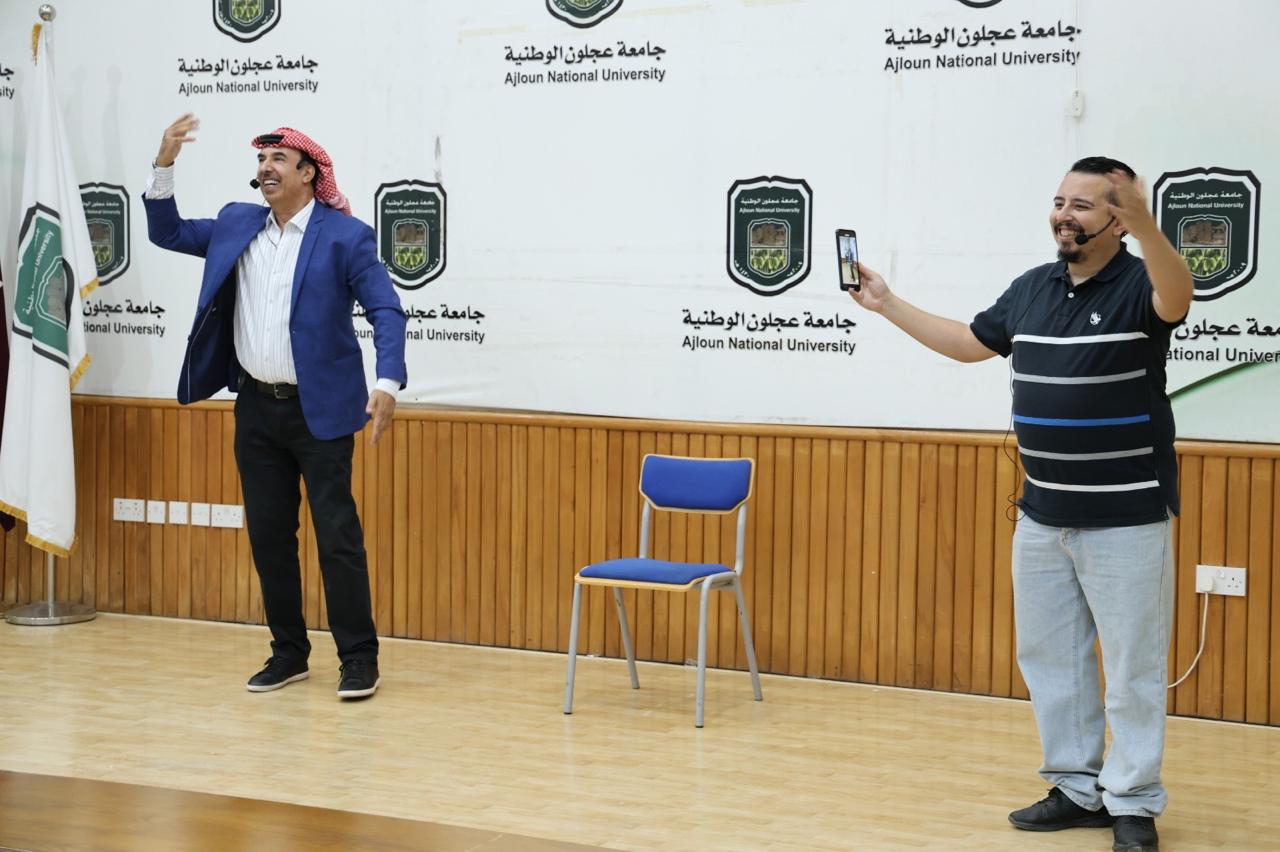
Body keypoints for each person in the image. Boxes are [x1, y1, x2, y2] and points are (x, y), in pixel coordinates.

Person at [846, 157, 1191, 852]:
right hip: (1041, 516)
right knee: (1051, 661)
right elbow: (969, 344)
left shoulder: (1142, 284)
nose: (1064, 214)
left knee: (1132, 669)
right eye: (1059, 201)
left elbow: (1178, 295)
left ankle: (1132, 802)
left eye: (1083, 205)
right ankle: (1076, 788)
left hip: (1126, 517)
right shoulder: (1033, 288)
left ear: (1118, 220)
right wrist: (888, 304)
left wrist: (1149, 224)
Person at [143, 114, 407, 700]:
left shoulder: (345, 236)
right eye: (261, 160)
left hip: (322, 413)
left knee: (337, 538)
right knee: (269, 537)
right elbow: (168, 233)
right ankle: (289, 653)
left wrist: (388, 380)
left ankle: (358, 658)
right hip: (257, 410)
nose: (265, 168)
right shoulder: (238, 224)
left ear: (309, 174)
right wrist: (164, 164)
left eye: (278, 160)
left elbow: (386, 310)